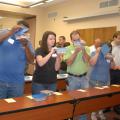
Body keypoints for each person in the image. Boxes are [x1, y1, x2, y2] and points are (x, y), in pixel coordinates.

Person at [0, 20, 34, 98]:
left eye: (24, 31)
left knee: (15, 107)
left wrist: (26, 46)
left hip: (17, 83)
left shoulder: (27, 42)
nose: (21, 32)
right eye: (19, 29)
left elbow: (31, 60)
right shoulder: (5, 32)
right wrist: (11, 32)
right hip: (1, 80)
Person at [64, 30, 90, 120]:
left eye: (78, 39)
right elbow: (68, 63)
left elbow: (87, 61)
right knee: (72, 100)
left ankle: (82, 118)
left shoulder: (86, 48)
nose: (77, 42)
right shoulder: (68, 48)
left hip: (84, 78)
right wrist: (75, 52)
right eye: (75, 40)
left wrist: (83, 50)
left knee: (84, 101)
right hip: (72, 78)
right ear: (71, 40)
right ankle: (70, 117)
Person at [89, 41, 115, 120]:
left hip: (106, 80)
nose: (107, 50)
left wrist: (112, 60)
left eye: (109, 49)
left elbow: (113, 67)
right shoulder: (95, 53)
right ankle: (93, 114)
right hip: (96, 80)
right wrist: (97, 53)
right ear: (102, 48)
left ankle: (100, 113)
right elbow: (92, 63)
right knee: (95, 99)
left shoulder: (109, 55)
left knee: (103, 99)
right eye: (106, 48)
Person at [110, 31, 120, 118]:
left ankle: (116, 107)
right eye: (119, 38)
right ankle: (107, 106)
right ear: (114, 38)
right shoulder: (108, 46)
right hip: (110, 71)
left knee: (117, 89)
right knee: (109, 89)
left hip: (119, 71)